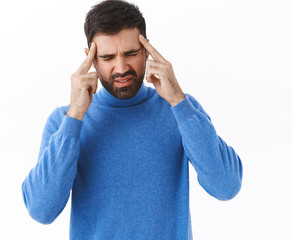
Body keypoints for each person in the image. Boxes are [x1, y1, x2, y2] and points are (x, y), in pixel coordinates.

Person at [21, 0, 243, 239]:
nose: (121, 67)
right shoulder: (65, 122)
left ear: (147, 51)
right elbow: (41, 210)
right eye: (107, 57)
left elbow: (226, 186)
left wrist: (178, 100)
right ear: (90, 59)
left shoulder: (179, 110)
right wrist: (75, 115)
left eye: (131, 53)